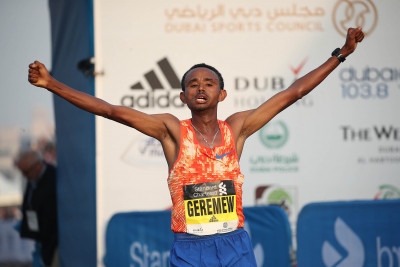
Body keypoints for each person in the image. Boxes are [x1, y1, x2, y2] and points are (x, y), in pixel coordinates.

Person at [28, 27, 364, 266]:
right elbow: (111, 110)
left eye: (209, 83)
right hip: (190, 250)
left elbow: (293, 93)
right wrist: (51, 83)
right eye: (192, 83)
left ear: (222, 94)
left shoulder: (237, 128)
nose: (200, 88)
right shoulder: (171, 131)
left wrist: (340, 54)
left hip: (236, 246)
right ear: (182, 96)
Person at [15, 150, 58, 267]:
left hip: (53, 240)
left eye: (26, 172)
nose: (24, 176)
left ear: (37, 166)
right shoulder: (33, 179)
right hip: (41, 238)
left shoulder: (53, 179)